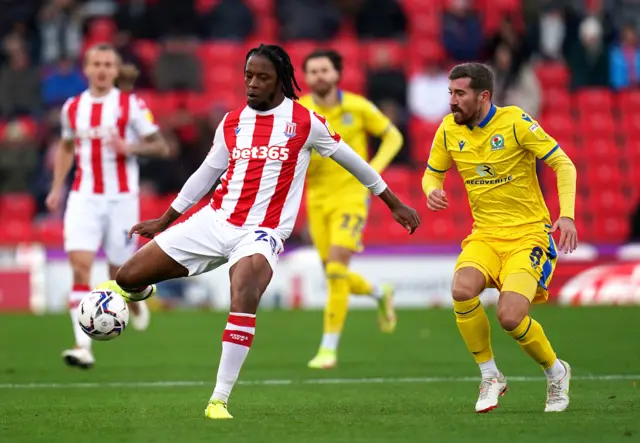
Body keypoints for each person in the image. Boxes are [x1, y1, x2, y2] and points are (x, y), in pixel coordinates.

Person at [97, 44, 420, 419]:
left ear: (280, 80)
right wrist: (163, 221)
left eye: (261, 77)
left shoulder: (305, 122)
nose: (251, 84)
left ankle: (218, 399)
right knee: (128, 276)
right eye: (248, 75)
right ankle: (143, 291)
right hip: (214, 221)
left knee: (245, 290)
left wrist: (393, 202)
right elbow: (205, 174)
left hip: (262, 232)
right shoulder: (232, 122)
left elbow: (355, 162)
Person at [422, 63, 577, 413]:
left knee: (510, 316)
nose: (452, 101)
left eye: (459, 94)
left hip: (528, 236)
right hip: (486, 236)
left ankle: (555, 372)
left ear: (483, 96)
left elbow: (564, 164)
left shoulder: (515, 122)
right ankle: (491, 375)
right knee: (461, 290)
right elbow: (432, 174)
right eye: (450, 93)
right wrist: (432, 190)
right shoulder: (448, 130)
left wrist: (566, 215)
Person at [46, 44, 170, 369]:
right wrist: (57, 187)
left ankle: (137, 301)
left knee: (119, 273)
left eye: (107, 64)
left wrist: (130, 146)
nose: (101, 69)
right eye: (96, 63)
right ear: (85, 68)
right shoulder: (72, 108)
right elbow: (66, 147)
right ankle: (82, 346)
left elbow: (162, 147)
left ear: (116, 70)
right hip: (83, 197)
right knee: (80, 268)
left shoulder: (131, 105)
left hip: (121, 200)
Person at [298, 49, 404, 369]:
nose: (319, 76)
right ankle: (379, 292)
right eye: (312, 71)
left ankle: (328, 348)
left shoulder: (357, 106)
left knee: (334, 270)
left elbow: (393, 136)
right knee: (334, 273)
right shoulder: (300, 111)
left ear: (337, 74)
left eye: (324, 70)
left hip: (351, 196)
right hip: (316, 199)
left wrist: (373, 171)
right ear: (305, 78)